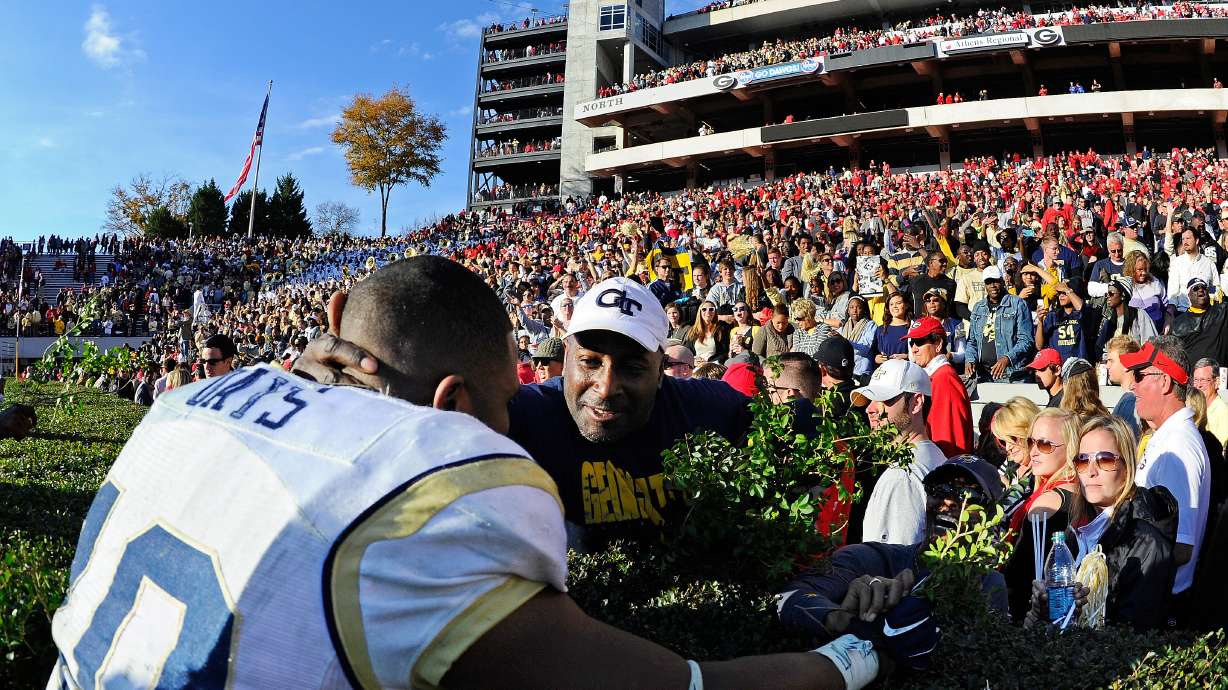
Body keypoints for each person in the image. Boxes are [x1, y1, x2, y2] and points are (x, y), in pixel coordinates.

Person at [50, 256, 878, 690]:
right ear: (454, 405)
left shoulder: (185, 402)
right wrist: (854, 660)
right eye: (502, 409)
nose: (509, 429)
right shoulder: (438, 476)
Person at [777, 456, 1006, 660]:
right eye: (939, 488)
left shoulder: (986, 584)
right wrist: (839, 618)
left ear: (990, 516)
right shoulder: (870, 558)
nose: (948, 501)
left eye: (968, 494)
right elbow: (788, 596)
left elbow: (979, 662)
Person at [1023, 415, 1177, 631]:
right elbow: (1048, 626)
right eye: (1082, 461)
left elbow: (1133, 637)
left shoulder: (1148, 543)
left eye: (1105, 460)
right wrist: (1043, 611)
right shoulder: (1074, 533)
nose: (1091, 471)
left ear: (1126, 468)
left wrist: (1078, 621)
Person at [1121, 337, 1211, 619]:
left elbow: (1181, 547)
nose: (1132, 385)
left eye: (1139, 375)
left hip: (1159, 603)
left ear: (1164, 381)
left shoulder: (1178, 445)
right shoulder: (1168, 437)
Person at [852, 359, 947, 545]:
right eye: (870, 399)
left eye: (884, 400)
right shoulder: (935, 454)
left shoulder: (901, 478)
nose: (870, 409)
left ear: (916, 402)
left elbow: (891, 562)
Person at [1004, 408, 1081, 622]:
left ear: (1071, 449)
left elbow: (1019, 574)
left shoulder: (1048, 501)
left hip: (1032, 616)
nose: (1033, 451)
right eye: (1031, 442)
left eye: (1044, 444)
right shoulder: (1079, 493)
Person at [907, 316, 972, 457]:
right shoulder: (935, 376)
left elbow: (948, 441)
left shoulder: (944, 379)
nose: (914, 349)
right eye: (912, 342)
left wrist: (943, 475)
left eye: (919, 342)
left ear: (938, 344)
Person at [966, 266, 1034, 382]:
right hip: (984, 375)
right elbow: (972, 341)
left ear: (1002, 281)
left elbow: (1026, 340)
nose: (992, 285)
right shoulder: (979, 307)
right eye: (988, 282)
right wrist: (970, 359)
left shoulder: (1017, 304)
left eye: (996, 281)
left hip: (1011, 375)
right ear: (985, 285)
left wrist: (1007, 358)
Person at [1171, 278, 1228, 366]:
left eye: (1203, 287)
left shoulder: (1222, 311)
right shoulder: (1178, 323)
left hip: (1220, 374)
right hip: (1194, 376)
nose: (1200, 289)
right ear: (1189, 295)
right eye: (1195, 288)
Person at [1106, 335, 1143, 439]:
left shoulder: (1131, 400)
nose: (1107, 365)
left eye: (1111, 361)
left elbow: (1127, 445)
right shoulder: (1129, 397)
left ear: (1127, 364)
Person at [1191, 358, 1228, 446]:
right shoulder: (1191, 408)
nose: (1198, 385)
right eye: (1196, 380)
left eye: (1203, 380)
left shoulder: (1223, 412)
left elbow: (1221, 450)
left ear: (1217, 382)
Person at [840, 295, 877, 381]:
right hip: (846, 369)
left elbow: (865, 347)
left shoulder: (871, 325)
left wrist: (844, 341)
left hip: (862, 371)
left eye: (858, 307)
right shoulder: (845, 325)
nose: (855, 310)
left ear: (864, 309)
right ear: (848, 310)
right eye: (851, 307)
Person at [684, 299, 731, 364]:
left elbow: (724, 352)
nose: (708, 312)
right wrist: (693, 360)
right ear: (699, 312)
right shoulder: (693, 331)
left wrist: (709, 362)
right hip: (697, 367)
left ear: (715, 312)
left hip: (714, 366)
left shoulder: (721, 330)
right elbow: (687, 352)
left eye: (711, 309)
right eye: (704, 309)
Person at [872, 292, 911, 366]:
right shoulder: (881, 329)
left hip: (908, 371)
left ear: (906, 305)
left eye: (898, 303)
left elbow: (921, 353)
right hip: (887, 372)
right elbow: (874, 352)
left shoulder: (913, 327)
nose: (895, 306)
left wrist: (908, 356)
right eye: (891, 304)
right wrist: (876, 358)